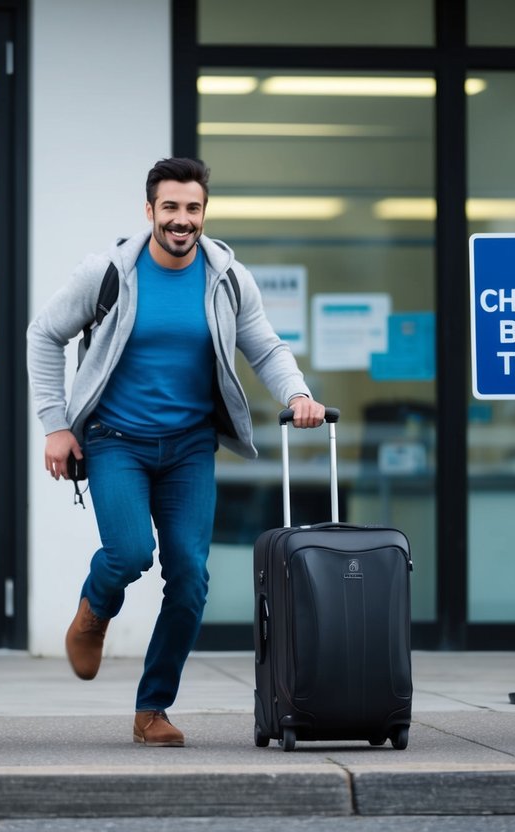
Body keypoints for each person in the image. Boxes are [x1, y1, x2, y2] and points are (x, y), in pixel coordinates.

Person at [25, 157, 325, 747]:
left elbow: (264, 346)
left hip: (190, 447)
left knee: (190, 578)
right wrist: (55, 424)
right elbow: (44, 334)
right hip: (116, 440)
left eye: (192, 208)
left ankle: (152, 708)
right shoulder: (108, 272)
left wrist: (299, 392)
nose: (181, 220)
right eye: (170, 208)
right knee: (130, 551)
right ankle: (93, 612)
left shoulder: (228, 277)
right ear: (149, 211)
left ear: (203, 212)